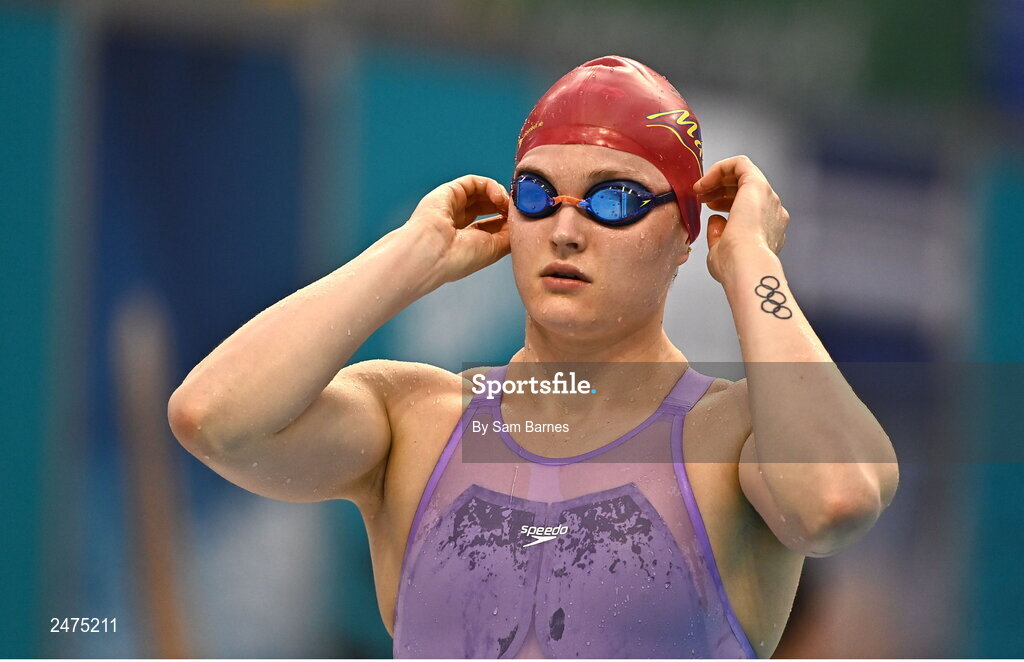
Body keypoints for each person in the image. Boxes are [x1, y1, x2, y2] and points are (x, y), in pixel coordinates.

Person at [168, 56, 899, 658]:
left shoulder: (730, 438)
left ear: (685, 235)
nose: (566, 229)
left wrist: (753, 263)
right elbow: (214, 418)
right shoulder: (422, 425)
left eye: (613, 200)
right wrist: (409, 256)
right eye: (537, 195)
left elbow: (834, 500)